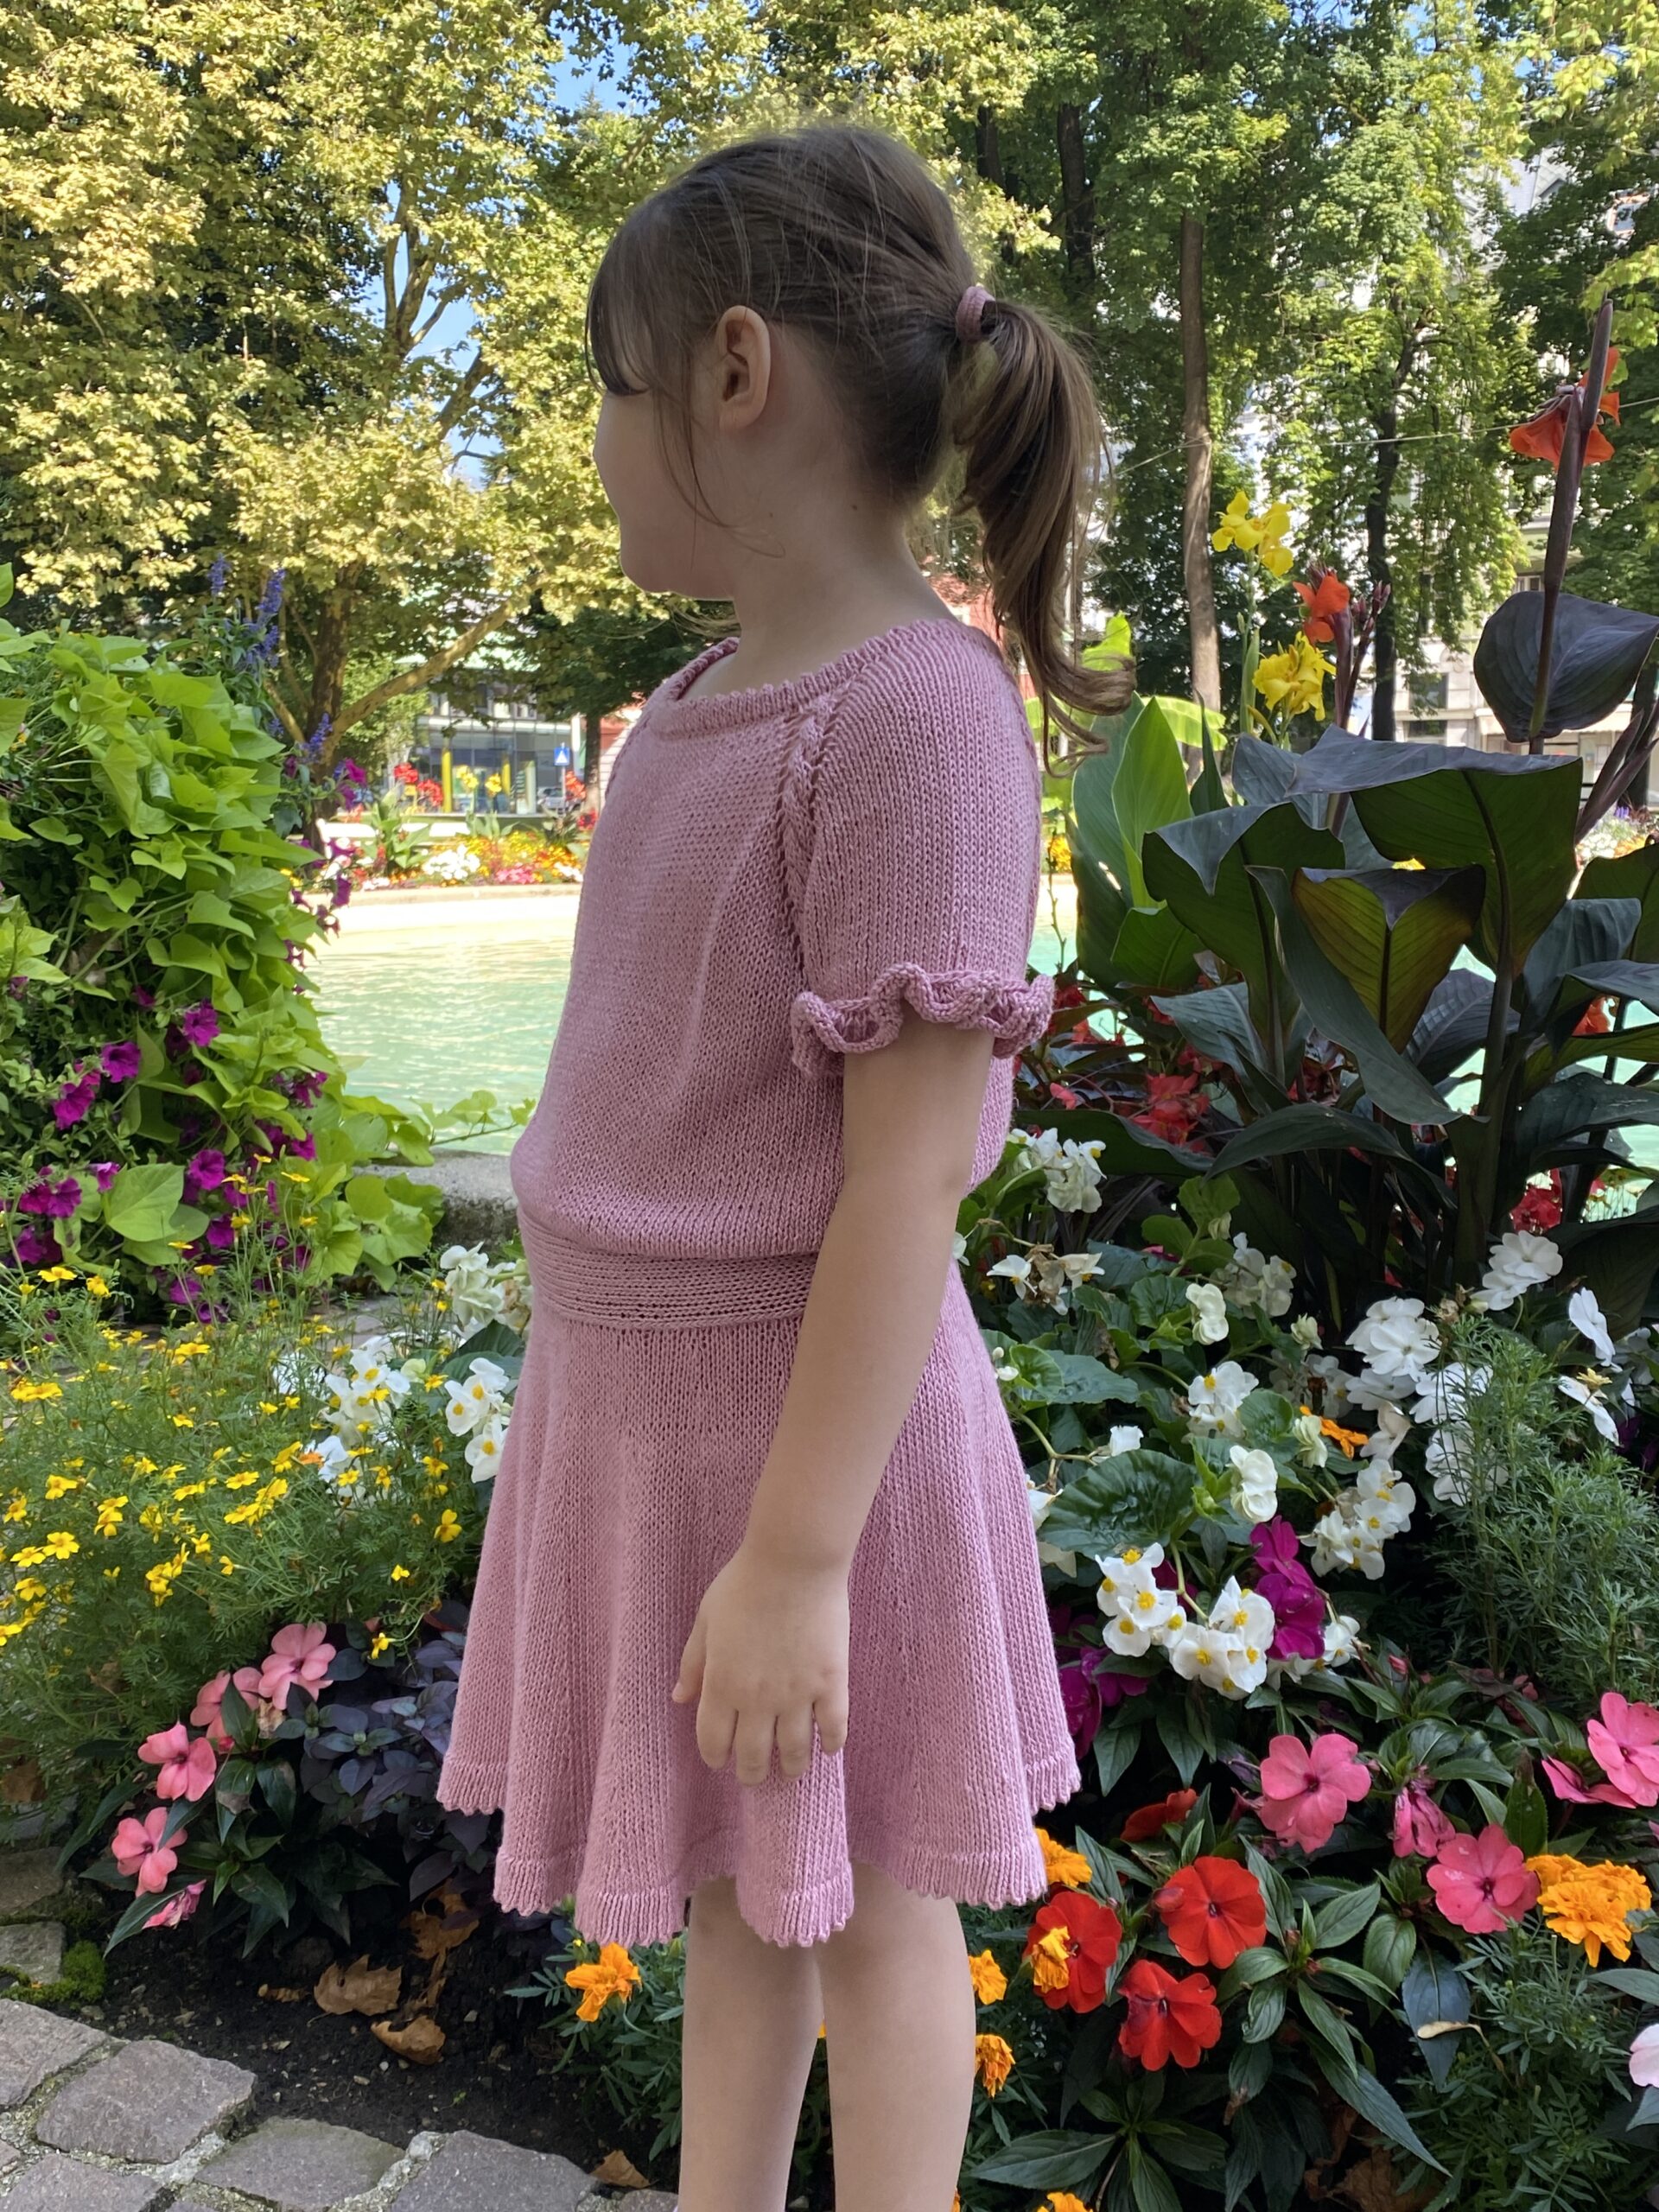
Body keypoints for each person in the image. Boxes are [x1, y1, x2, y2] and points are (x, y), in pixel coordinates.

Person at [435, 122, 1132, 2212]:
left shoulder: (913, 716)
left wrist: (801, 1556)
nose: (596, 437)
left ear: (736, 370)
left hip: (810, 1445)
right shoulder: (696, 702)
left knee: (878, 1906)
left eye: (615, 385)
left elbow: (905, 1181)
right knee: (749, 1904)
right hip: (652, 1411)